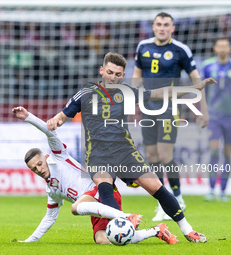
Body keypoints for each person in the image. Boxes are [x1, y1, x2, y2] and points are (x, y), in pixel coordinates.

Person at [47, 52, 216, 243]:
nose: (113, 77)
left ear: (123, 75)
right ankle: (126, 221)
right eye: (110, 72)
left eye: (118, 74)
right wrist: (55, 121)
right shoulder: (86, 93)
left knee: (157, 188)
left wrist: (195, 88)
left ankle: (188, 230)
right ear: (102, 71)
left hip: (126, 152)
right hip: (98, 155)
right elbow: (62, 115)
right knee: (105, 188)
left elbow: (161, 93)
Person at [12, 106, 177, 245]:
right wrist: (30, 241)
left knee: (75, 208)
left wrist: (28, 117)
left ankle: (127, 216)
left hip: (102, 192)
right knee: (104, 240)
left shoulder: (58, 157)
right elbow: (49, 218)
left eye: (39, 164)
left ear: (45, 158)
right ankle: (156, 231)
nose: (39, 169)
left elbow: (50, 133)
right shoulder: (52, 191)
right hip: (94, 208)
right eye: (34, 169)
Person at [132, 12, 209, 221]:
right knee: (151, 157)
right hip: (147, 107)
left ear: (172, 28)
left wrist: (203, 110)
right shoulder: (143, 47)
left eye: (166, 25)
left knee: (165, 155)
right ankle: (162, 201)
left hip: (170, 107)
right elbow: (137, 75)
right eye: (159, 24)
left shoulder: (180, 50)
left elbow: (197, 80)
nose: (162, 28)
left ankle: (177, 197)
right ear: (154, 27)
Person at [202, 38, 231, 202]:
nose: (222, 48)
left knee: (228, 155)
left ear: (229, 48)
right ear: (215, 48)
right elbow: (202, 89)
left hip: (230, 117)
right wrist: (202, 111)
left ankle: (223, 190)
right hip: (214, 116)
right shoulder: (208, 66)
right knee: (213, 151)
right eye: (219, 45)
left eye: (225, 46)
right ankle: (211, 189)